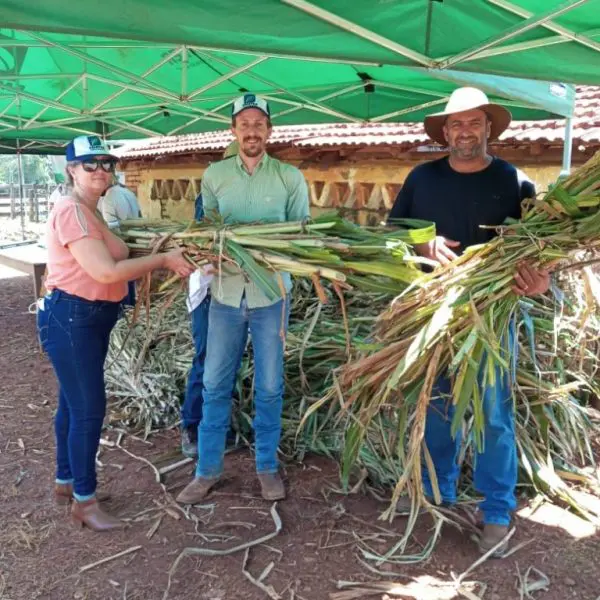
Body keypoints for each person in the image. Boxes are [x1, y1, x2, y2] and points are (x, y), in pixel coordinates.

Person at [387, 87, 550, 556]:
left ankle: (497, 509)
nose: (463, 131)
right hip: (433, 310)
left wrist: (540, 282)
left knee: (493, 412)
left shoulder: (514, 181)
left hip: (492, 315)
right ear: (445, 131)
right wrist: (422, 245)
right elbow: (392, 231)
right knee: (438, 407)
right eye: (455, 124)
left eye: (473, 122)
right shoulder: (422, 178)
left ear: (488, 128)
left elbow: (542, 247)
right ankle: (438, 494)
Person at [37, 135, 194, 531]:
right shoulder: (72, 211)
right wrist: (162, 259)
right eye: (89, 164)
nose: (100, 171)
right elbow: (105, 272)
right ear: (71, 170)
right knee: (88, 409)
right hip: (74, 320)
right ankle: (84, 504)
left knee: (72, 405)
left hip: (83, 319)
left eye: (106, 163)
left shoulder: (91, 209)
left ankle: (66, 482)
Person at [176, 94, 310, 504]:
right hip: (225, 296)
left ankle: (267, 467)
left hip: (272, 296)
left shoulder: (290, 178)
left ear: (270, 130)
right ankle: (207, 471)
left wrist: (266, 250)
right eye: (244, 123)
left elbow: (302, 236)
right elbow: (206, 231)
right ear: (232, 130)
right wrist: (212, 251)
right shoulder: (214, 175)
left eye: (259, 123)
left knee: (270, 385)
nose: (252, 130)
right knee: (216, 383)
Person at [180, 142, 244, 458]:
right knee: (207, 359)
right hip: (210, 291)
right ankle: (192, 427)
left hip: (240, 293)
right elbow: (208, 243)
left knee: (229, 360)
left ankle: (219, 426)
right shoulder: (210, 196)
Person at [98, 177, 142, 306]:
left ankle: (124, 306)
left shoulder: (109, 198)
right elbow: (140, 216)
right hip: (136, 240)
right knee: (130, 277)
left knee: (122, 278)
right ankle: (130, 304)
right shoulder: (128, 193)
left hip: (122, 242)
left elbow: (111, 229)